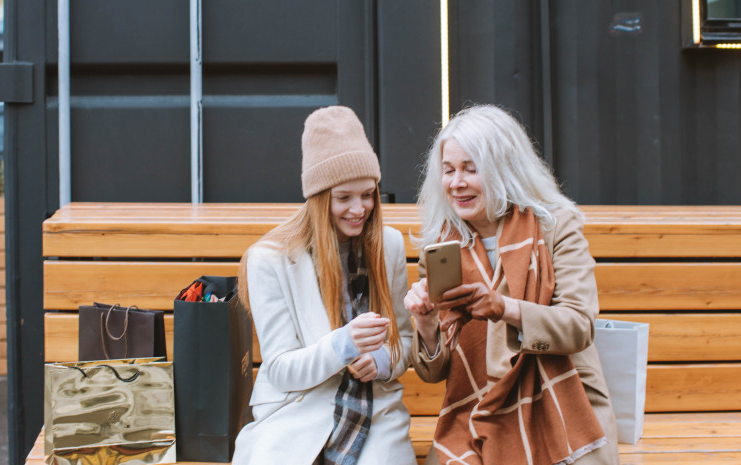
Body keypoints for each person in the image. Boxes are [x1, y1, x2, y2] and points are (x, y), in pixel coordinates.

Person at [405, 105, 619, 465]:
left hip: (563, 405)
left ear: (504, 168)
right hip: (475, 409)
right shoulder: (442, 247)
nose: (457, 183)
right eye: (449, 170)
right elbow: (433, 372)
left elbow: (579, 325)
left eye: (471, 169)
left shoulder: (556, 227)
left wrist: (504, 308)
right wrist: (425, 325)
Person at [232, 106, 416, 465]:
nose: (359, 208)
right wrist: (342, 345)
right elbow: (282, 370)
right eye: (343, 197)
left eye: (368, 194)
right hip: (296, 412)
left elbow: (404, 341)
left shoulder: (387, 245)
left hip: (374, 410)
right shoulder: (270, 258)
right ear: (318, 198)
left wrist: (381, 361)